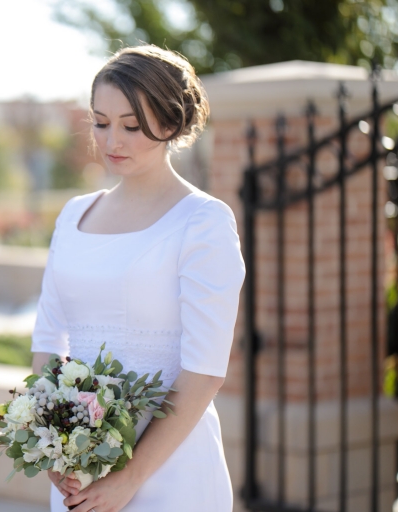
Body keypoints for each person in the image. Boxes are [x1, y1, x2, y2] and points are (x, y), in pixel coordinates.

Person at [30, 45, 246, 512]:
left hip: (172, 473)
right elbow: (48, 336)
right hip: (77, 475)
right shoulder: (73, 215)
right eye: (100, 122)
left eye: (131, 126)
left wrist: (129, 478)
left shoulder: (203, 221)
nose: (112, 141)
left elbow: (206, 368)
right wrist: (51, 444)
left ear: (169, 123)